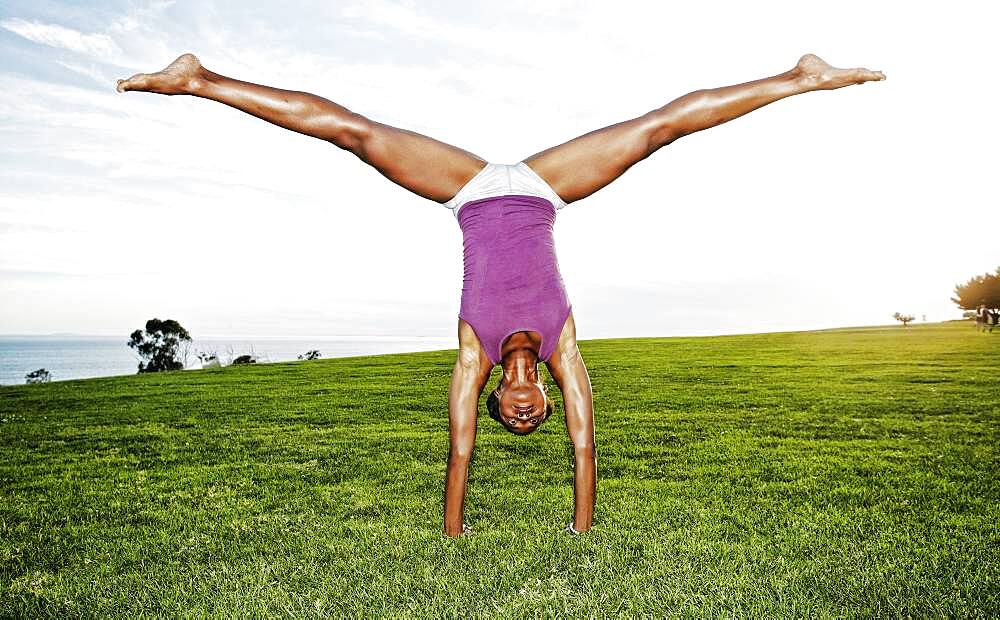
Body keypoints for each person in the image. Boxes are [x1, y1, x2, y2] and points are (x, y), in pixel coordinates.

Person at [116, 52, 885, 537]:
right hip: (551, 187)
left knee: (350, 132)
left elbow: (459, 454)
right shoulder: (565, 353)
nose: (524, 412)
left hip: (469, 192)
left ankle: (199, 81)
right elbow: (586, 451)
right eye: (535, 417)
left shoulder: (471, 357)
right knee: (657, 130)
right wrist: (582, 529)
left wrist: (453, 533)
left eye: (510, 416)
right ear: (546, 402)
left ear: (496, 402)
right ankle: (800, 78)